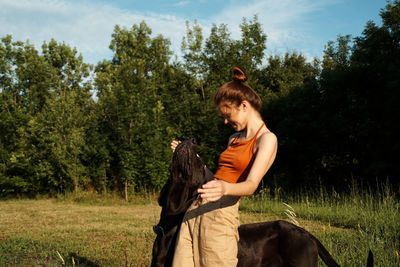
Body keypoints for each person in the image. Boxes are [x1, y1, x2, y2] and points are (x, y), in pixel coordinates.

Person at [170, 66, 278, 267]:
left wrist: (225, 188)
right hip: (194, 210)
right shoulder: (233, 139)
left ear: (243, 106)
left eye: (228, 115)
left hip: (220, 217)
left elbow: (251, 185)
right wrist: (191, 158)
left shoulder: (267, 139)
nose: (226, 121)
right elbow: (216, 179)